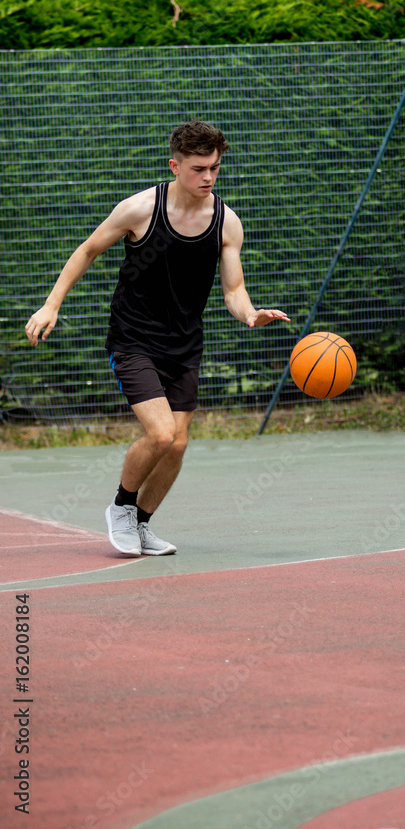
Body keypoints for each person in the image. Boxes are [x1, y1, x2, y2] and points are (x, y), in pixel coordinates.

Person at [25, 120, 289, 557]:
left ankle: (141, 525)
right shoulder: (141, 209)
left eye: (215, 169)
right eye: (199, 168)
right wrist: (51, 305)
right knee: (162, 433)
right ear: (175, 165)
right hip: (133, 339)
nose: (208, 177)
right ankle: (121, 509)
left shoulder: (226, 222)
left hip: (184, 343)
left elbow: (233, 290)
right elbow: (88, 250)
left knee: (179, 443)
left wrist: (250, 314)